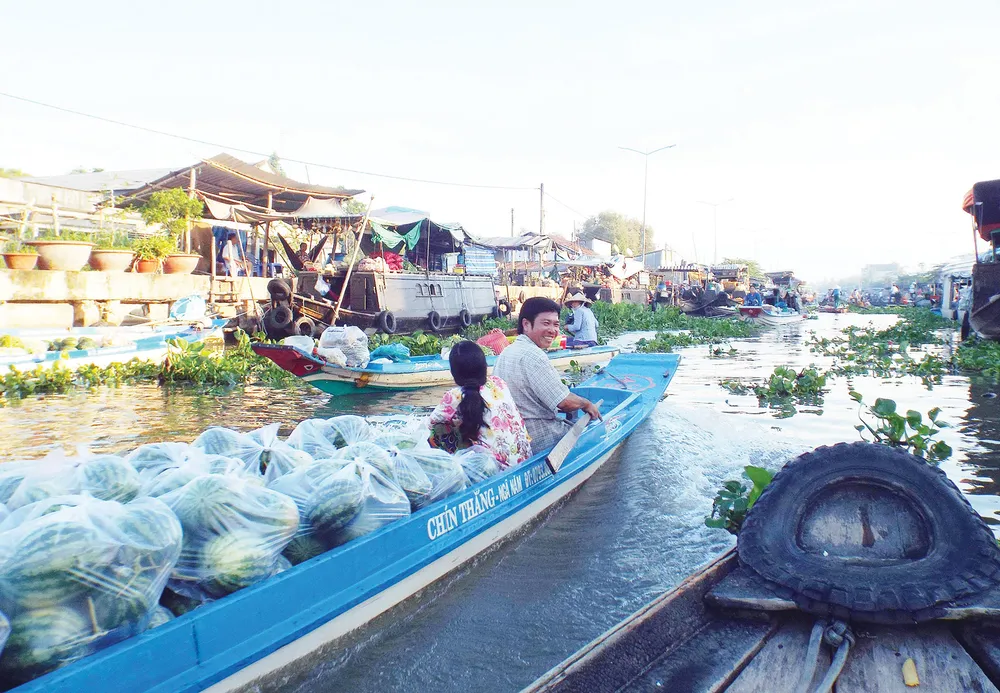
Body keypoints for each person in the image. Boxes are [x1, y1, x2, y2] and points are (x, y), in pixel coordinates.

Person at [494, 297, 602, 452]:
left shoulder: (507, 351)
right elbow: (564, 403)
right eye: (546, 323)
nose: (552, 330)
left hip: (513, 435)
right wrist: (586, 404)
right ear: (526, 324)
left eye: (556, 324)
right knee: (597, 436)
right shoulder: (534, 355)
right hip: (539, 436)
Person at [427, 341, 532, 468]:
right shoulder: (499, 383)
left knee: (437, 431)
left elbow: (429, 425)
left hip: (494, 469)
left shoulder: (455, 396)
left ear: (454, 371)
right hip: (524, 459)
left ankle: (450, 467)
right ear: (484, 366)